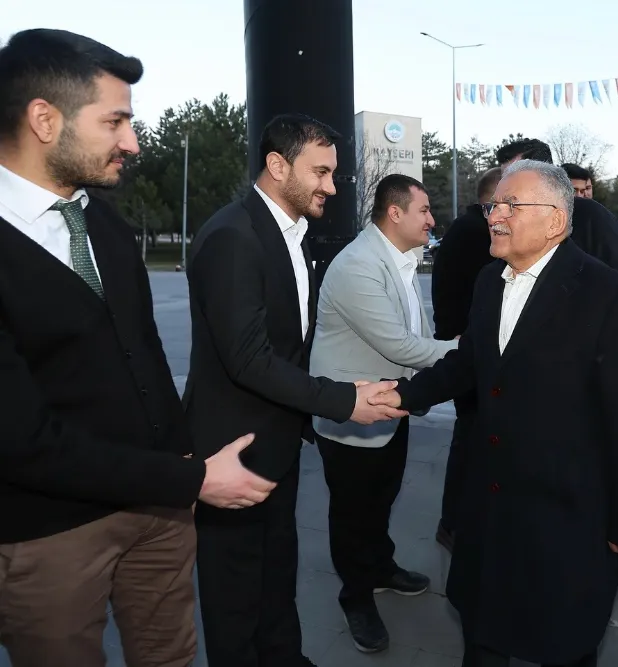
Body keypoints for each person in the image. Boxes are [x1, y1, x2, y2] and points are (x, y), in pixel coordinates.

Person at [0, 29, 275, 667]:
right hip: (49, 536)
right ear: (44, 119)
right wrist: (194, 478)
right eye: (115, 121)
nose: (133, 142)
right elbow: (21, 440)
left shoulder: (105, 224)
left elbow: (144, 356)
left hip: (161, 513)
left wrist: (179, 464)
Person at [369, 160, 618, 667]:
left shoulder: (608, 296)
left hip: (566, 519)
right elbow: (469, 362)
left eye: (510, 205)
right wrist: (401, 395)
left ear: (555, 220)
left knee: (564, 643)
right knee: (482, 635)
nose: (495, 216)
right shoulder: (489, 281)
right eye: (492, 206)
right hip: (490, 508)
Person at [185, 113, 404, 667]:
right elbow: (249, 359)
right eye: (320, 172)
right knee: (235, 596)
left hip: (276, 441)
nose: (332, 186)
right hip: (232, 451)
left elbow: (290, 344)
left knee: (276, 573)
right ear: (277, 166)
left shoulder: (291, 235)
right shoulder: (233, 237)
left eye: (333, 173)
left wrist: (337, 390)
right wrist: (343, 401)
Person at [310, 174, 458, 652]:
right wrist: (471, 350)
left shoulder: (400, 260)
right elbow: (401, 345)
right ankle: (355, 596)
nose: (431, 220)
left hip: (391, 408)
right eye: (424, 210)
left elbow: (418, 329)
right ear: (395, 213)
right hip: (353, 412)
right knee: (353, 510)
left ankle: (379, 567)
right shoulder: (359, 265)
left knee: (381, 497)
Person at [431, 166, 503, 551]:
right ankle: (455, 524)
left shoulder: (466, 228)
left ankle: (458, 521)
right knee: (472, 440)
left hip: (463, 349)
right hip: (468, 355)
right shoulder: (478, 233)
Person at [496, 138, 618, 282]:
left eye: (514, 176)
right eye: (503, 178)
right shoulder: (503, 221)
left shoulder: (592, 216)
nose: (505, 185)